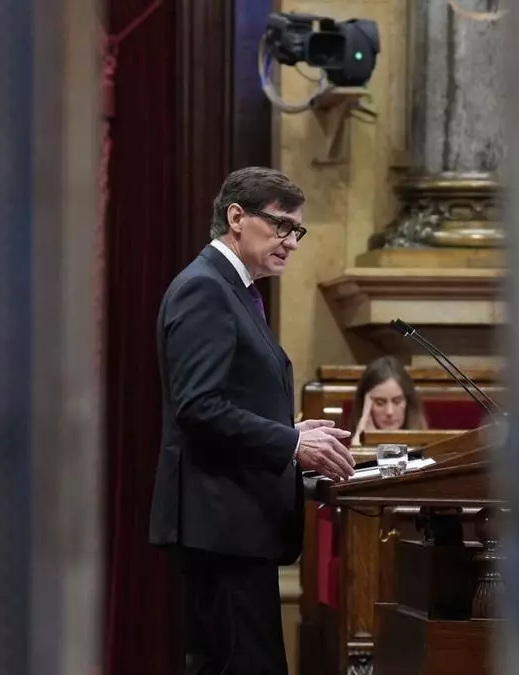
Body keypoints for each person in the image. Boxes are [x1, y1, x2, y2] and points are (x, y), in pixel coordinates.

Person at [149, 167, 356, 675]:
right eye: (281, 225)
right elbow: (198, 406)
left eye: (297, 230)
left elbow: (225, 399)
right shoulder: (206, 288)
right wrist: (290, 444)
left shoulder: (232, 289)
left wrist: (292, 432)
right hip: (222, 528)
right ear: (237, 217)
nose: (292, 242)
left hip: (235, 527)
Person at [349, 355, 428, 445]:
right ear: (365, 404)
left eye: (397, 402)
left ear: (408, 402)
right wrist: (361, 442)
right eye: (380, 403)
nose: (389, 412)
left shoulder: (427, 446)